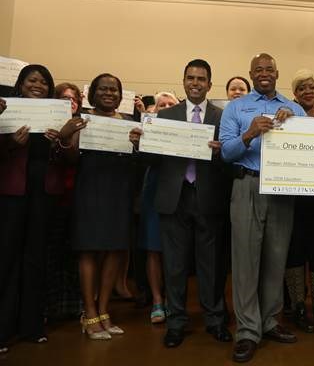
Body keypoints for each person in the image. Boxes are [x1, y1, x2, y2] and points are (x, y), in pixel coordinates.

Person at [130, 60, 231, 347]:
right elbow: (151, 159)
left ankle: (215, 319)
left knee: (210, 265)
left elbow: (231, 160)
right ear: (183, 82)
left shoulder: (222, 117)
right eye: (190, 78)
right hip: (173, 197)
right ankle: (176, 322)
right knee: (174, 265)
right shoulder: (166, 115)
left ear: (210, 84)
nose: (196, 82)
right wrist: (139, 144)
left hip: (208, 196)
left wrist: (221, 153)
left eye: (201, 78)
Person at [220, 53, 305, 363]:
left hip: (283, 188)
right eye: (259, 69)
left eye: (270, 69)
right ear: (251, 74)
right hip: (247, 186)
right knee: (245, 261)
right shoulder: (236, 107)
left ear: (277, 72)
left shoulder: (295, 109)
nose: (265, 73)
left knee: (275, 258)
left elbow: (309, 150)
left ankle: (269, 322)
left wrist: (294, 125)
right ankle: (246, 330)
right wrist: (250, 132)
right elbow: (227, 153)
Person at [58, 73, 136, 341]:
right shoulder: (82, 120)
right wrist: (67, 137)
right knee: (89, 250)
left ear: (120, 94)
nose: (109, 93)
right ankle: (88, 312)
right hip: (90, 189)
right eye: (103, 88)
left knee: (115, 249)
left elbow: (137, 161)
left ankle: (104, 311)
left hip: (119, 191)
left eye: (114, 89)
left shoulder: (128, 123)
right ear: (93, 94)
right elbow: (71, 159)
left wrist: (139, 145)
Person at [0, 65, 64, 352]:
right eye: (32, 80)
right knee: (6, 259)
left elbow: (65, 159)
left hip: (43, 195)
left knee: (36, 259)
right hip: (12, 193)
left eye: (43, 81)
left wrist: (58, 142)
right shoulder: (6, 111)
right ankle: (2, 329)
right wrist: (11, 144)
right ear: (20, 84)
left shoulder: (55, 114)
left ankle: (31, 326)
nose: (38, 85)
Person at [283, 70, 314, 333]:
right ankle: (298, 306)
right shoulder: (286, 118)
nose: (307, 91)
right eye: (301, 88)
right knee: (294, 251)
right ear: (295, 94)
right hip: (293, 199)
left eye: (311, 86)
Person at [136, 91, 179, 324]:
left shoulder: (186, 126)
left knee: (175, 250)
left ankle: (173, 300)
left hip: (179, 192)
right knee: (153, 248)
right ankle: (157, 301)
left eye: (170, 104)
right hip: (154, 190)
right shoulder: (147, 127)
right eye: (161, 104)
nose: (165, 107)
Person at [45, 83, 83, 322]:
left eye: (74, 98)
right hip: (52, 198)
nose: (70, 102)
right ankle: (49, 308)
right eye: (64, 98)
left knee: (74, 256)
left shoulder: (84, 124)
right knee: (51, 255)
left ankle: (72, 306)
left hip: (78, 198)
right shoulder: (46, 124)